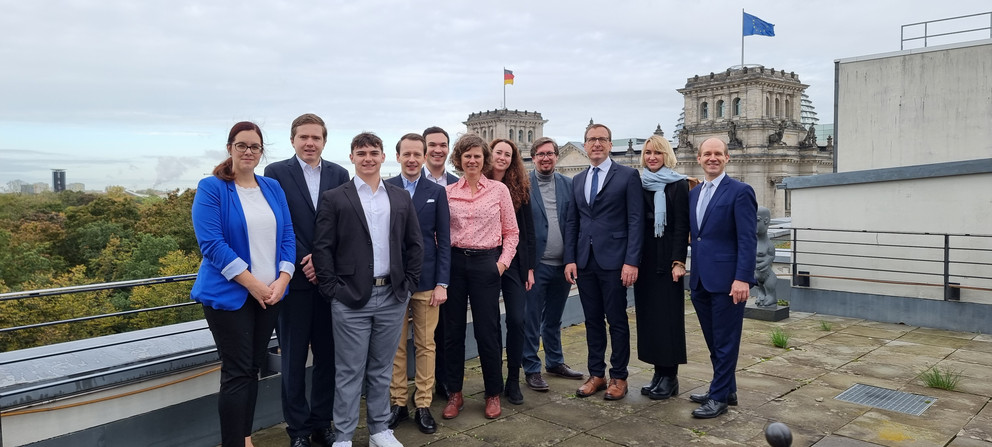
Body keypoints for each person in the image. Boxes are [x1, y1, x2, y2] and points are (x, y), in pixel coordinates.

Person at [312, 132, 424, 447]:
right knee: (348, 371)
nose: (368, 158)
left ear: (383, 155)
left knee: (381, 368)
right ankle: (344, 436)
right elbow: (322, 248)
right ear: (352, 157)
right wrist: (332, 289)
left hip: (392, 295)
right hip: (349, 298)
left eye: (374, 152)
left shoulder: (399, 197)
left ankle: (379, 431)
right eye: (361, 153)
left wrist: (409, 284)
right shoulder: (336, 197)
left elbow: (415, 244)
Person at [190, 121, 295, 447]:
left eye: (254, 146)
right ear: (230, 148)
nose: (248, 151)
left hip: (270, 295)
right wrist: (253, 284)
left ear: (262, 151)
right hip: (229, 296)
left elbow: (288, 235)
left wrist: (283, 278)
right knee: (236, 372)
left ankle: (244, 437)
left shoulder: (272, 188)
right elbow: (212, 244)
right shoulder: (212, 188)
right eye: (242, 145)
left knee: (251, 369)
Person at [263, 113, 349, 447]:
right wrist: (306, 259)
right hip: (293, 281)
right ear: (293, 140)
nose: (310, 143)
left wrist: (322, 261)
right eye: (304, 137)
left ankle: (321, 423)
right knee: (294, 359)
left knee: (329, 358)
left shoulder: (339, 174)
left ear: (324, 141)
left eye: (316, 137)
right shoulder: (276, 174)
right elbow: (278, 222)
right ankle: (297, 430)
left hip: (328, 283)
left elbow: (343, 224)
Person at [441, 134, 519, 420]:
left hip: (487, 264)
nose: (472, 160)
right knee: (452, 332)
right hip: (456, 265)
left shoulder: (498, 190)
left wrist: (501, 264)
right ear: (459, 160)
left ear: (484, 159)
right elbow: (440, 233)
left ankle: (493, 393)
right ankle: (454, 393)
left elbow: (512, 232)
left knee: (488, 331)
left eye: (476, 156)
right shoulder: (448, 192)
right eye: (466, 156)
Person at [564, 123, 643, 401]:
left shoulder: (628, 176)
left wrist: (631, 261)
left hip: (615, 261)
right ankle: (596, 374)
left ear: (610, 145)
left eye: (601, 139)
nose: (596, 144)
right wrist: (570, 259)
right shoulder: (578, 179)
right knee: (593, 320)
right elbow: (573, 222)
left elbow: (636, 220)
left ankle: (619, 376)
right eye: (591, 139)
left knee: (617, 320)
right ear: (585, 145)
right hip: (585, 261)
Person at [384, 133, 451, 434]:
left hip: (426, 281)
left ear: (424, 157)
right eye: (406, 154)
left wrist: (442, 283)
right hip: (392, 283)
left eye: (417, 154)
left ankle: (423, 403)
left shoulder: (436, 192)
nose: (412, 159)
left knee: (426, 344)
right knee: (394, 347)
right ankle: (398, 402)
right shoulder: (384, 189)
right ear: (397, 156)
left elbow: (445, 242)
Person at [687, 137, 757, 419]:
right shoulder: (694, 193)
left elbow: (748, 239)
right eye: (707, 154)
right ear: (699, 158)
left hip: (729, 281)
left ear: (727, 158)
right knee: (714, 340)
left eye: (718, 154)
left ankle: (718, 398)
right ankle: (726, 388)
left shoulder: (740, 191)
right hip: (701, 279)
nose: (712, 158)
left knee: (726, 340)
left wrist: (743, 278)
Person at [523, 137, 585, 392]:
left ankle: (555, 361)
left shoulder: (568, 184)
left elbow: (575, 222)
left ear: (556, 156)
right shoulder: (523, 184)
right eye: (541, 154)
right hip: (536, 265)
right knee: (531, 319)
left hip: (563, 265)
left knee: (554, 318)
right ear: (533, 157)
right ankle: (531, 368)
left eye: (550, 153)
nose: (545, 158)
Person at [633, 135, 690, 401]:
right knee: (650, 320)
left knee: (668, 320)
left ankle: (670, 376)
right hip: (645, 261)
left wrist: (679, 261)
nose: (652, 157)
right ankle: (658, 372)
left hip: (667, 262)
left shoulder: (678, 185)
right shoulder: (640, 183)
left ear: (666, 155)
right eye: (647, 153)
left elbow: (681, 226)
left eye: (657, 153)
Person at [483, 138, 536, 405]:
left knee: (517, 319)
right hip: (485, 261)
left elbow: (527, 231)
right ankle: (492, 382)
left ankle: (513, 379)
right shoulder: (477, 183)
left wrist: (529, 267)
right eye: (498, 152)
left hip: (514, 262)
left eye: (507, 154)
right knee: (489, 323)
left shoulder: (519, 187)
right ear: (488, 154)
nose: (502, 157)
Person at [421, 126, 458, 399]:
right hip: (419, 270)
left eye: (443, 145)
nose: (438, 150)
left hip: (450, 265)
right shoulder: (404, 183)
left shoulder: (457, 182)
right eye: (432, 144)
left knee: (449, 328)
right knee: (423, 335)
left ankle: (445, 382)